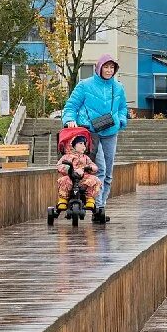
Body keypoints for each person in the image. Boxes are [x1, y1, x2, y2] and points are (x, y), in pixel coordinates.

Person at [62, 54, 128, 223]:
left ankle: (100, 207)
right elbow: (71, 105)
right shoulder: (85, 85)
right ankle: (96, 206)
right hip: (90, 131)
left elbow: (122, 108)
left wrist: (121, 120)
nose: (109, 70)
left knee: (109, 173)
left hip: (111, 131)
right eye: (106, 67)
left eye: (112, 67)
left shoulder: (118, 87)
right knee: (100, 168)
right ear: (99, 68)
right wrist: (69, 119)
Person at [56, 134, 100, 211]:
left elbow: (94, 166)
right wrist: (68, 168)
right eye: (81, 144)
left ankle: (90, 199)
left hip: (83, 179)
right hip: (71, 177)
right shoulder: (67, 156)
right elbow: (60, 165)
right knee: (63, 180)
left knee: (94, 180)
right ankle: (63, 200)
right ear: (73, 145)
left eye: (84, 144)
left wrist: (90, 168)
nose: (84, 146)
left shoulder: (85, 158)